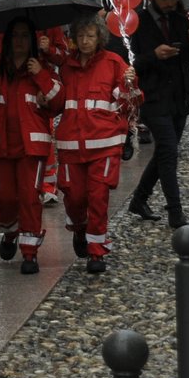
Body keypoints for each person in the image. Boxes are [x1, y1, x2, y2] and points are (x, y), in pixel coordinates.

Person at [51, 15, 139, 273]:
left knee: (98, 197)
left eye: (90, 35)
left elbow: (131, 105)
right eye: (81, 36)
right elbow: (56, 103)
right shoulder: (66, 67)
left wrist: (130, 84)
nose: (85, 40)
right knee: (74, 197)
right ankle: (80, 229)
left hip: (104, 143)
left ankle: (97, 252)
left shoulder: (114, 64)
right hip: (71, 145)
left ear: (100, 37)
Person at [0, 16, 61, 275]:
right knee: (4, 198)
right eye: (15, 36)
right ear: (7, 40)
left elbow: (58, 103)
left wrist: (42, 77)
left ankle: (29, 253)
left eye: (26, 36)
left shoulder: (42, 67)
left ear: (33, 40)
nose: (20, 42)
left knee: (28, 197)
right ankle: (10, 229)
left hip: (31, 146)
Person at [128, 0, 189, 228]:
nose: (170, 2)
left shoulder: (182, 21)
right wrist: (153, 55)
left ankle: (139, 199)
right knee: (169, 152)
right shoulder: (137, 23)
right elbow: (130, 64)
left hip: (179, 97)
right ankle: (175, 211)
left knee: (164, 152)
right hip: (153, 97)